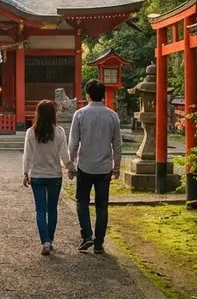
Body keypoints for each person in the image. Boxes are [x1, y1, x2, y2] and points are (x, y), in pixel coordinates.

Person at [67, 79, 122, 254]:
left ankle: (87, 236)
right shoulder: (112, 115)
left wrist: (71, 164)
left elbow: (73, 142)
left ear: (88, 95)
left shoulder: (80, 114)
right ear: (103, 95)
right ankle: (99, 243)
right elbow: (117, 144)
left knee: (82, 201)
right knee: (102, 205)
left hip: (85, 165)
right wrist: (117, 166)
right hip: (104, 166)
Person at [22, 99, 69, 256]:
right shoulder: (59, 132)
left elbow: (27, 156)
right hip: (54, 175)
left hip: (37, 175)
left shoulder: (31, 132)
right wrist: (71, 168)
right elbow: (64, 154)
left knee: (40, 210)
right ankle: (50, 238)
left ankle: (45, 241)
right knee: (52, 209)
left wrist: (25, 173)